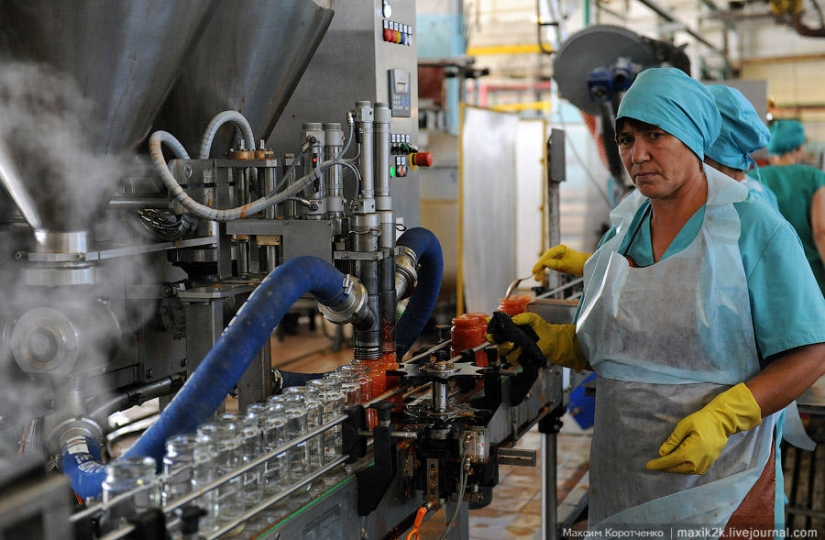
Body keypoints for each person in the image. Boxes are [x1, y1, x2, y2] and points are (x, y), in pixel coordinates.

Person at [494, 67, 825, 534]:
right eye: (626, 139)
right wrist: (557, 342)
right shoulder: (622, 233)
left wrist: (725, 418)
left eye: (656, 135)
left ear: (693, 138)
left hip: (720, 487)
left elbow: (811, 351)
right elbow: (614, 346)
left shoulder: (751, 230)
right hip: (623, 480)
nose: (638, 154)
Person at [748, 119, 825, 295]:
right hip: (811, 275)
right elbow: (821, 232)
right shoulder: (814, 177)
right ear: (797, 148)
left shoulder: (754, 178)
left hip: (769, 275)